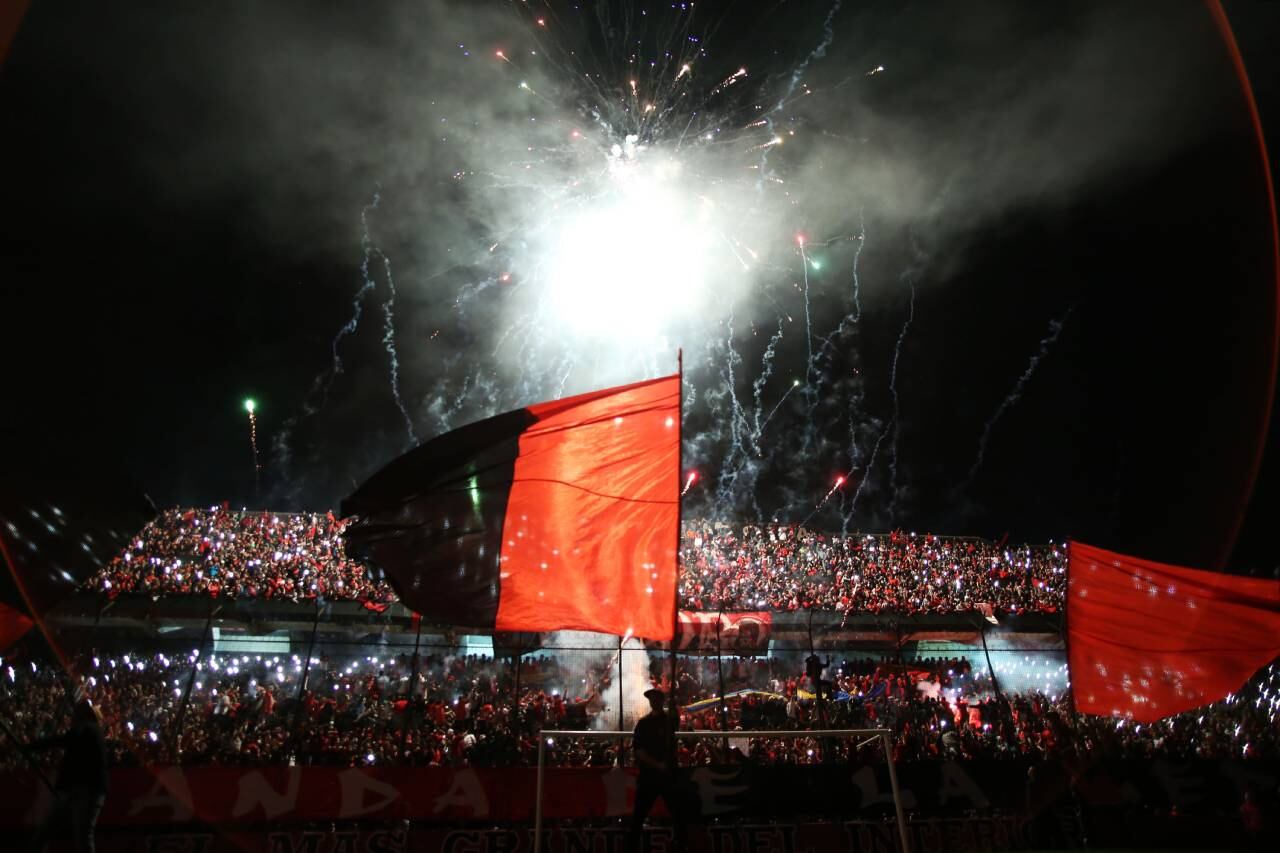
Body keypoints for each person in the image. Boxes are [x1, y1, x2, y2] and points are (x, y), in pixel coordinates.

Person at [27, 700, 109, 853]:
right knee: (82, 834)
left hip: (82, 789)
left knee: (58, 831)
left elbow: (63, 741)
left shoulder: (85, 729)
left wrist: (34, 746)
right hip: (84, 789)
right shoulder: (94, 731)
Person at [628, 688, 690, 853]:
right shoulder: (643, 723)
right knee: (639, 815)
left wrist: (673, 706)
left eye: (656, 698)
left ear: (661, 701)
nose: (653, 701)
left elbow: (676, 722)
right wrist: (657, 764)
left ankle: (681, 844)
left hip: (667, 775)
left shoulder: (668, 721)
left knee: (678, 812)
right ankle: (632, 846)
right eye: (651, 698)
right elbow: (639, 751)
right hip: (649, 776)